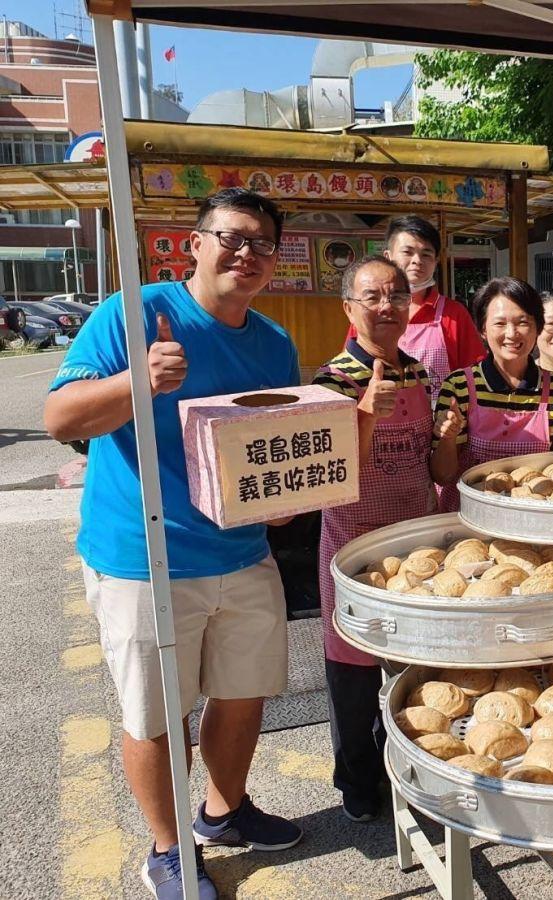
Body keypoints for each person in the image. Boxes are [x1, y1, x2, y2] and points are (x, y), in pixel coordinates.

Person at [44, 188, 302, 898]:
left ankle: (225, 812)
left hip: (244, 554)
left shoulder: (275, 343)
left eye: (262, 245)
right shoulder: (135, 314)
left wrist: (283, 506)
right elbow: (59, 414)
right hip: (143, 558)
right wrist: (139, 381)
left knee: (245, 695)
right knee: (156, 713)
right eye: (232, 237)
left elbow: (272, 450)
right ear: (194, 242)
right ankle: (165, 849)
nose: (246, 255)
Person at [313, 255, 438, 823]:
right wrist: (363, 414)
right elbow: (329, 475)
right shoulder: (330, 379)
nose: (387, 306)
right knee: (354, 668)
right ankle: (357, 781)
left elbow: (427, 459)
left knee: (411, 663)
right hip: (353, 545)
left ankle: (408, 766)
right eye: (373, 296)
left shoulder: (417, 372)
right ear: (349, 307)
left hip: (415, 542)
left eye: (397, 295)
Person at [431, 277, 553, 507]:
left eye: (523, 322)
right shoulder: (458, 386)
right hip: (469, 518)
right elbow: (442, 475)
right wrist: (447, 437)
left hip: (536, 519)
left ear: (537, 328)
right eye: (500, 323)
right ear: (482, 329)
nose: (512, 333)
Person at [344, 215, 485, 402]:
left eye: (426, 254)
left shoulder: (454, 314)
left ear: (436, 261)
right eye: (408, 252)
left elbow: (475, 375)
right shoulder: (368, 313)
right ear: (388, 257)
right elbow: (350, 370)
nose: (417, 260)